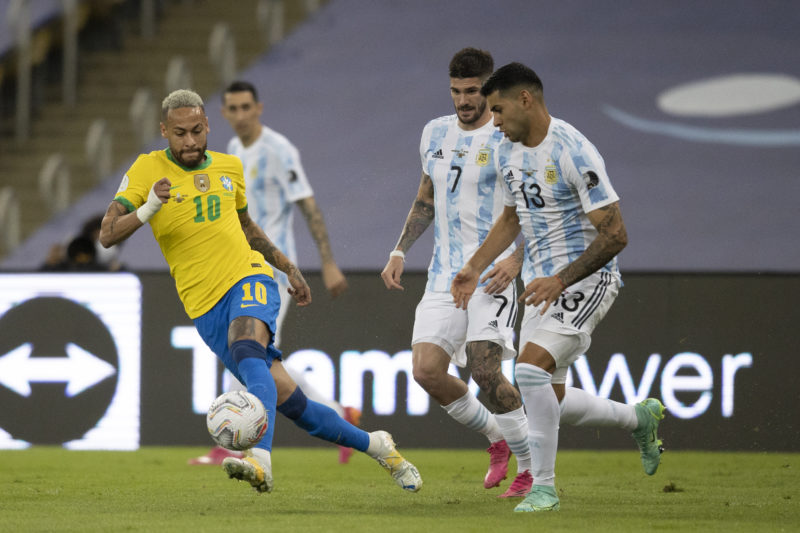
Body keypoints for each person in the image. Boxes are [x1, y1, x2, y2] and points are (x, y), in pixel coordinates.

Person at [99, 89, 422, 494]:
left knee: (247, 347)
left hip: (249, 278)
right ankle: (379, 446)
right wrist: (147, 209)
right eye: (179, 133)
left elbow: (247, 228)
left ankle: (260, 461)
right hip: (204, 306)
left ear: (207, 126)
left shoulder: (229, 167)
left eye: (197, 131)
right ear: (164, 131)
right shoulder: (147, 170)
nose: (190, 142)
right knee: (298, 408)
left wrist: (288, 267)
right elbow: (107, 234)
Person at [451, 62, 664, 513]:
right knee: (548, 396)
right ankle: (638, 419)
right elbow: (511, 218)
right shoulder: (507, 149)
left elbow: (616, 234)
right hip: (541, 287)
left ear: (526, 100)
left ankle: (544, 488)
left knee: (529, 373)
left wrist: (561, 279)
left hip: (587, 280)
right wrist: (474, 267)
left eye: (499, 109)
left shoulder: (572, 150)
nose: (494, 120)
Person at [381, 48, 533, 498]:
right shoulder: (434, 133)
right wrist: (399, 250)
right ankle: (497, 440)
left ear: (489, 90)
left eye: (472, 91)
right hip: (444, 275)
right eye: (456, 91)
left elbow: (531, 207)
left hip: (491, 275)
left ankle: (532, 469)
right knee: (426, 371)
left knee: (487, 372)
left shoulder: (509, 137)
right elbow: (427, 196)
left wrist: (516, 259)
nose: (463, 100)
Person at [189, 80, 357, 466]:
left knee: (244, 350)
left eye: (247, 107)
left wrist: (327, 262)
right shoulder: (231, 151)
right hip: (235, 270)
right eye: (233, 108)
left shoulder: (279, 150)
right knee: (260, 358)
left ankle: (231, 443)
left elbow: (308, 205)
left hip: (270, 274)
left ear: (259, 108)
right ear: (225, 114)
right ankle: (340, 413)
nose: (241, 114)